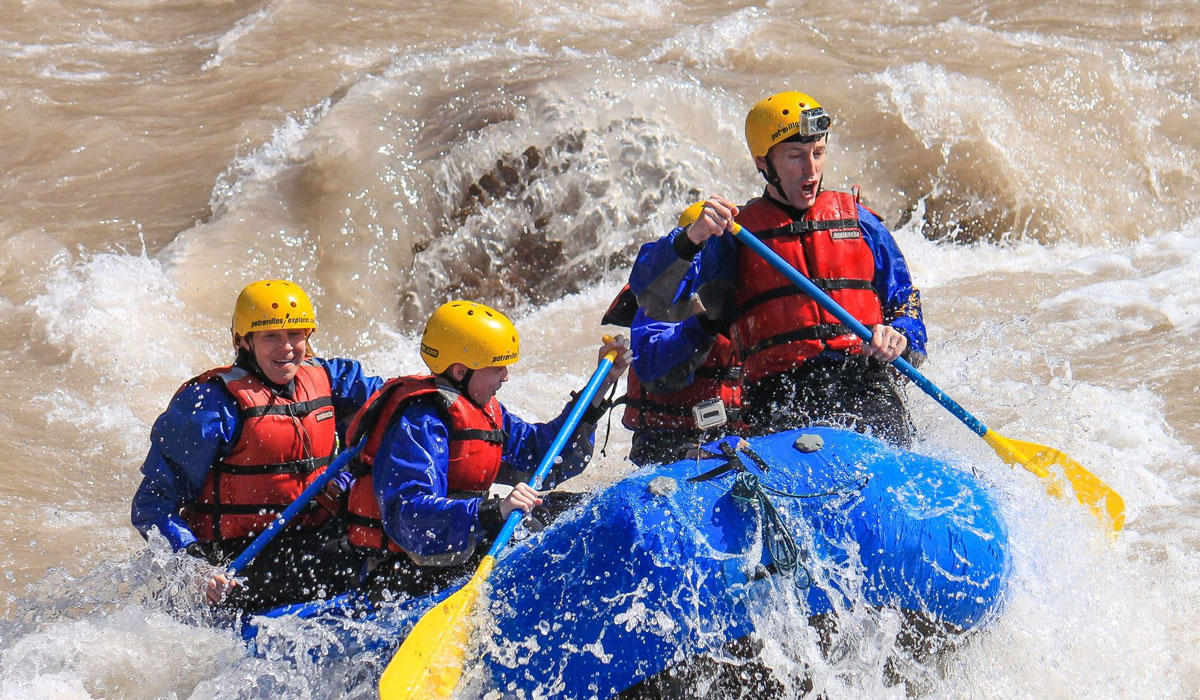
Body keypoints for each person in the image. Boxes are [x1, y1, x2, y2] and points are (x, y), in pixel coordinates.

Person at [628, 91, 926, 447]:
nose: (811, 169)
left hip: (866, 384)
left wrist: (901, 333)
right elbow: (652, 296)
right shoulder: (735, 237)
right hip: (781, 397)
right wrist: (691, 237)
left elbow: (904, 299)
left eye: (818, 153)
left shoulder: (861, 222)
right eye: (795, 156)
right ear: (763, 163)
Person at [342, 300, 631, 598]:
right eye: (497, 367)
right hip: (406, 571)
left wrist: (601, 385)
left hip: (460, 547)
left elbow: (544, 456)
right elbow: (410, 515)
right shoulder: (419, 422)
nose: (505, 376)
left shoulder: (484, 410)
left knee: (586, 510)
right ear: (459, 371)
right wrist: (494, 511)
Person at [131, 279, 384, 612]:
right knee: (369, 557)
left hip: (316, 537)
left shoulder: (331, 378)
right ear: (244, 342)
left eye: (296, 335)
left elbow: (392, 409)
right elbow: (151, 505)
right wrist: (194, 566)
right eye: (271, 336)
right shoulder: (210, 406)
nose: (287, 348)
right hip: (240, 562)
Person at [603, 203, 745, 466]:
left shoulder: (743, 278)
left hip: (733, 432)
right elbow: (652, 368)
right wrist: (704, 322)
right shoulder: (662, 291)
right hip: (666, 439)